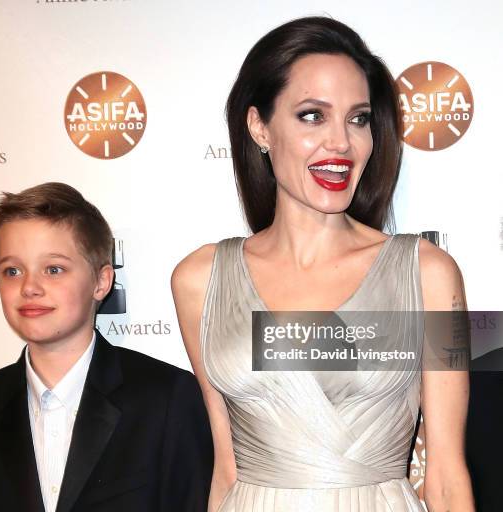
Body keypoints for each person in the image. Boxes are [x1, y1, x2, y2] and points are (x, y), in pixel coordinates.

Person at [171, 16, 474, 512]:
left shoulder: (431, 275)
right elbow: (226, 467)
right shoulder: (200, 281)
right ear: (259, 127)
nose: (341, 142)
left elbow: (445, 476)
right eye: (313, 115)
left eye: (358, 119)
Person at [0, 182, 213, 512]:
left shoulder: (167, 399)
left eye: (54, 269)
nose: (29, 287)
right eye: (13, 270)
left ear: (101, 282)